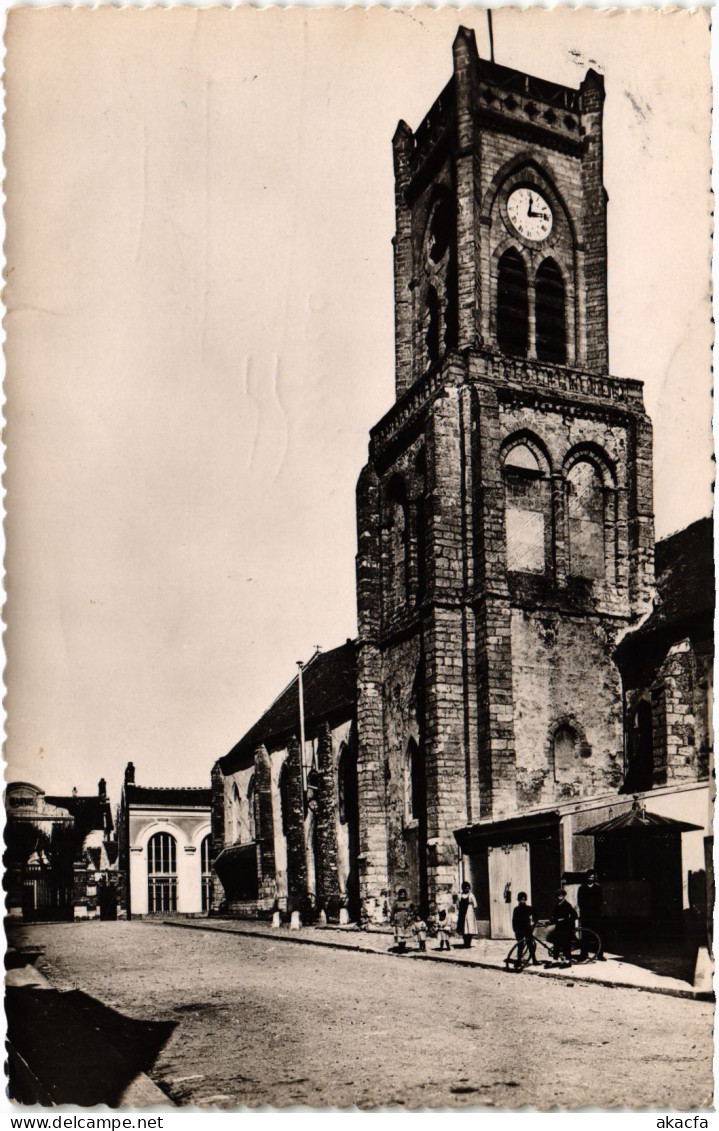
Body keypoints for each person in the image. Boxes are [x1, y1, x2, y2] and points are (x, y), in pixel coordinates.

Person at [577, 869, 605, 960]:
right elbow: (580, 902)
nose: (591, 879)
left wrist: (595, 910)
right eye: (589, 877)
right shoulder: (582, 888)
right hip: (585, 915)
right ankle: (584, 954)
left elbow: (600, 901)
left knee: (598, 934)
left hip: (595, 915)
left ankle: (600, 954)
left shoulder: (598, 888)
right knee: (585, 935)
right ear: (587, 878)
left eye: (593, 877)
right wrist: (585, 911)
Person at [550, 888, 578, 967]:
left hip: (566, 927)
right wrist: (551, 920)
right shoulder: (557, 905)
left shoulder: (567, 905)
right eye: (558, 895)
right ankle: (555, 960)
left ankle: (567, 961)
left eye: (561, 895)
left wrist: (565, 920)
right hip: (558, 927)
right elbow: (554, 917)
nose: (560, 897)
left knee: (566, 944)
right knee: (556, 943)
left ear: (564, 896)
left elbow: (575, 915)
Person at [512, 891, 538, 966]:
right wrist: (515, 929)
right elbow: (514, 920)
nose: (522, 901)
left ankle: (534, 960)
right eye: (521, 899)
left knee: (530, 945)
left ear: (525, 899)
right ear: (518, 900)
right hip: (519, 930)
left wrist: (534, 923)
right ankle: (519, 961)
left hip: (527, 929)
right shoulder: (516, 909)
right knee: (520, 946)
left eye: (524, 899)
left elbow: (536, 915)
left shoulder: (529, 908)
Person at [456, 880, 478, 948]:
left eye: (468, 888)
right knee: (464, 928)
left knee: (470, 927)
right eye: (465, 888)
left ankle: (469, 943)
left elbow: (475, 905)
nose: (467, 889)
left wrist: (472, 911)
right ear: (463, 888)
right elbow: (457, 905)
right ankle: (465, 942)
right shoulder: (460, 896)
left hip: (469, 912)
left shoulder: (471, 895)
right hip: (462, 913)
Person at [390, 887, 413, 952]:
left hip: (407, 918)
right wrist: (391, 919)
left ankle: (403, 946)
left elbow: (413, 909)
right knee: (400, 933)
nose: (402, 896)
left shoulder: (409, 901)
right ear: (399, 895)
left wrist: (410, 916)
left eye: (403, 894)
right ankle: (400, 947)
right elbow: (393, 911)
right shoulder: (396, 902)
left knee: (405, 933)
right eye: (401, 894)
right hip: (399, 918)